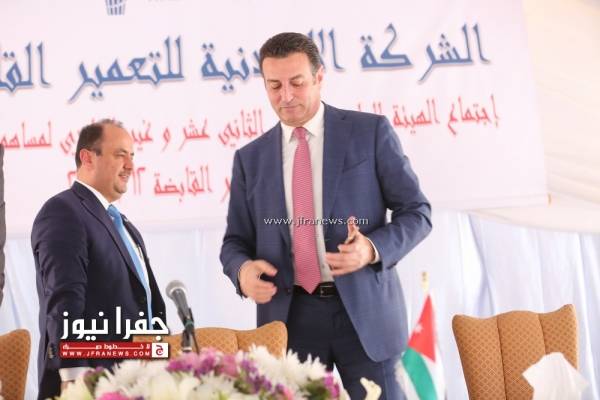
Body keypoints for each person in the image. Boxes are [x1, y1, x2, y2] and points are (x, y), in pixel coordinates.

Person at [220, 32, 432, 399]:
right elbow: (234, 242)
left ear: (319, 77)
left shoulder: (369, 132)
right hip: (290, 320)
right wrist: (242, 271)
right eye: (274, 86)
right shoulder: (249, 159)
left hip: (366, 317)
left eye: (297, 82)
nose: (286, 96)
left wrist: (371, 249)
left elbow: (417, 212)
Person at [31, 120, 166, 400]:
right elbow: (64, 301)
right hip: (90, 384)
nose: (130, 165)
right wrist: (73, 378)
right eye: (120, 155)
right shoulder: (63, 211)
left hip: (136, 381)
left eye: (132, 156)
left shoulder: (125, 226)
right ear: (88, 157)